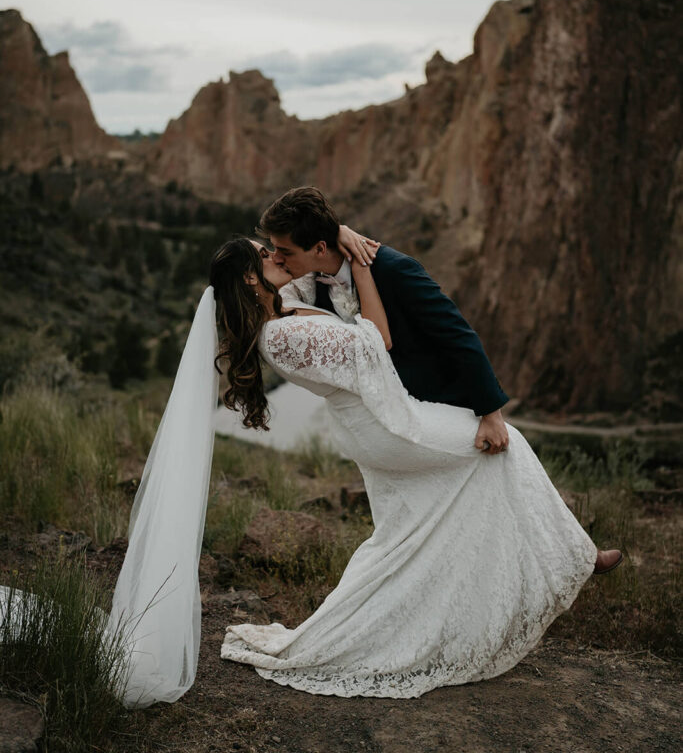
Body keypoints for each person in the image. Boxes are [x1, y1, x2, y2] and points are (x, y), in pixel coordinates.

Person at [211, 236, 623, 700]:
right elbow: (377, 339)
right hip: (390, 427)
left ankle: (466, 609)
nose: (277, 255)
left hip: (377, 421)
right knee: (499, 446)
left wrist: (342, 234)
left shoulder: (284, 304)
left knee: (404, 533)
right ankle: (574, 557)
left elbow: (312, 267)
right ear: (250, 278)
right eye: (265, 254)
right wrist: (365, 272)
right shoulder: (284, 336)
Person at [259, 186, 511, 456]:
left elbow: (456, 334)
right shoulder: (310, 282)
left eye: (285, 251)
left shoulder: (394, 269)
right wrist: (340, 229)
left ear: (320, 248)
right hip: (388, 419)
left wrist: (491, 414)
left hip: (442, 403)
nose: (276, 258)